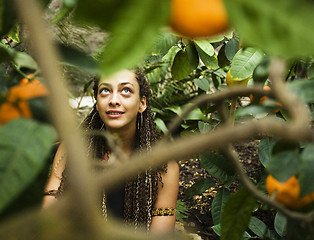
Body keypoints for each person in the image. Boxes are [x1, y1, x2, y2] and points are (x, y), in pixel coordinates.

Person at [42, 69, 180, 234]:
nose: (114, 100)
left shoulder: (163, 166)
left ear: (142, 103)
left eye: (126, 91)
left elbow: (160, 234)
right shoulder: (72, 150)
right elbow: (50, 208)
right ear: (97, 102)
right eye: (105, 91)